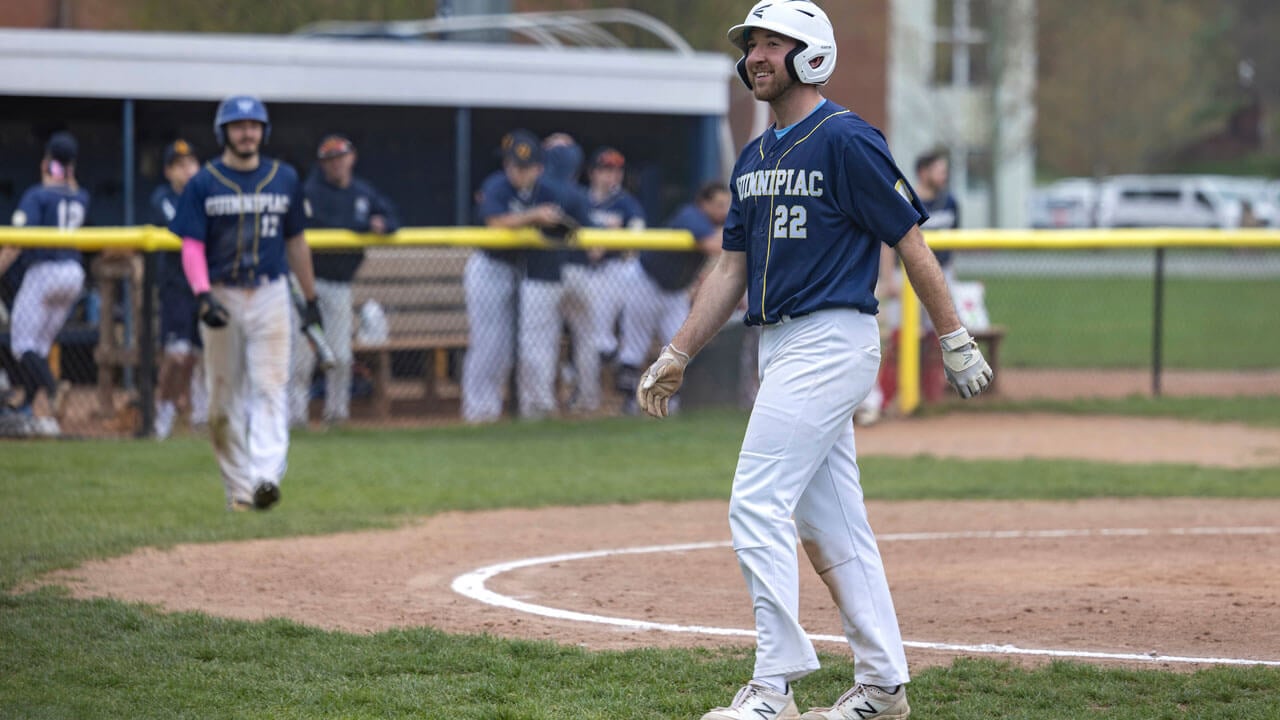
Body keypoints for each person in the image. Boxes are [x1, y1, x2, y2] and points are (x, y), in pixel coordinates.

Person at [635, 3, 993, 719]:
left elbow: (911, 242)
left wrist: (953, 337)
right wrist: (677, 353)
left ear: (812, 56)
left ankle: (773, 687)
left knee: (754, 500)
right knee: (832, 527)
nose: (757, 56)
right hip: (782, 345)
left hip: (833, 337)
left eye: (772, 43)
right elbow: (731, 271)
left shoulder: (846, 139)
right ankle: (884, 688)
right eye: (752, 45)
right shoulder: (756, 155)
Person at [169, 95, 320, 511]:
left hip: (271, 292)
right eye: (238, 125)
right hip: (222, 292)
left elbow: (296, 242)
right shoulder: (204, 182)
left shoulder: (284, 177)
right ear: (224, 132)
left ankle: (265, 478)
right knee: (222, 399)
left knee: (271, 387)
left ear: (263, 131)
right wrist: (202, 293)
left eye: (254, 125)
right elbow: (191, 245)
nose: (247, 132)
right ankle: (239, 490)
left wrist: (311, 298)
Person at [461, 129, 589, 423]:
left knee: (507, 348)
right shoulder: (497, 186)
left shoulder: (547, 191)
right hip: (489, 269)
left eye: (525, 167)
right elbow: (494, 223)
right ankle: (479, 412)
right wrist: (533, 217)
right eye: (513, 166)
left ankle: (504, 410)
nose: (517, 173)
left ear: (539, 168)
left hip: (521, 273)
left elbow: (575, 221)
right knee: (488, 343)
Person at [289, 133, 399, 427]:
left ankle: (337, 415)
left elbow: (391, 217)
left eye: (341, 157)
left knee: (340, 355)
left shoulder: (362, 191)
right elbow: (328, 223)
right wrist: (365, 226)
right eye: (330, 159)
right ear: (322, 163)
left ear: (352, 158)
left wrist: (383, 224)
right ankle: (295, 417)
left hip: (340, 284)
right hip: (306, 281)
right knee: (301, 357)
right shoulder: (311, 191)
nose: (337, 164)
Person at [863, 149, 962, 423]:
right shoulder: (905, 198)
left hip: (940, 275)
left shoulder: (950, 203)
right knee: (898, 339)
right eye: (939, 170)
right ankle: (884, 399)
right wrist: (886, 278)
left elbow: (954, 245)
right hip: (903, 276)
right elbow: (887, 241)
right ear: (923, 172)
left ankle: (932, 399)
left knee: (934, 339)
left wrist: (951, 280)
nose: (944, 175)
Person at [0, 131, 88, 437]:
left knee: (22, 345)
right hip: (74, 276)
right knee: (38, 346)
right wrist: (65, 173)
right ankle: (27, 405)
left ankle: (53, 387)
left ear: (48, 163)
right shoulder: (80, 196)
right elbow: (70, 187)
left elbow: (16, 243)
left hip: (44, 272)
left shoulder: (37, 195)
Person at [615, 182, 728, 415]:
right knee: (634, 348)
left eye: (726, 205)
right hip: (646, 282)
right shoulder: (691, 214)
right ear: (703, 203)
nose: (723, 210)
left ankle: (668, 405)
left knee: (680, 348)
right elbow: (713, 245)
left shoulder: (713, 223)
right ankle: (628, 406)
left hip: (676, 292)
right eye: (718, 205)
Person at [151, 139, 208, 439]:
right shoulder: (164, 196)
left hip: (203, 286)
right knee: (175, 355)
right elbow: (179, 227)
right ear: (169, 171)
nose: (187, 170)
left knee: (196, 355)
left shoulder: (206, 195)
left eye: (191, 163)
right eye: (180, 165)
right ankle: (162, 413)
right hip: (176, 286)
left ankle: (192, 415)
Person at [583, 147, 646, 366]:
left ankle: (621, 363)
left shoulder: (627, 203)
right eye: (606, 170)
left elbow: (636, 244)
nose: (613, 176)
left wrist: (610, 237)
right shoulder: (581, 199)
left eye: (617, 171)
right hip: (585, 270)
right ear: (593, 173)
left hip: (617, 268)